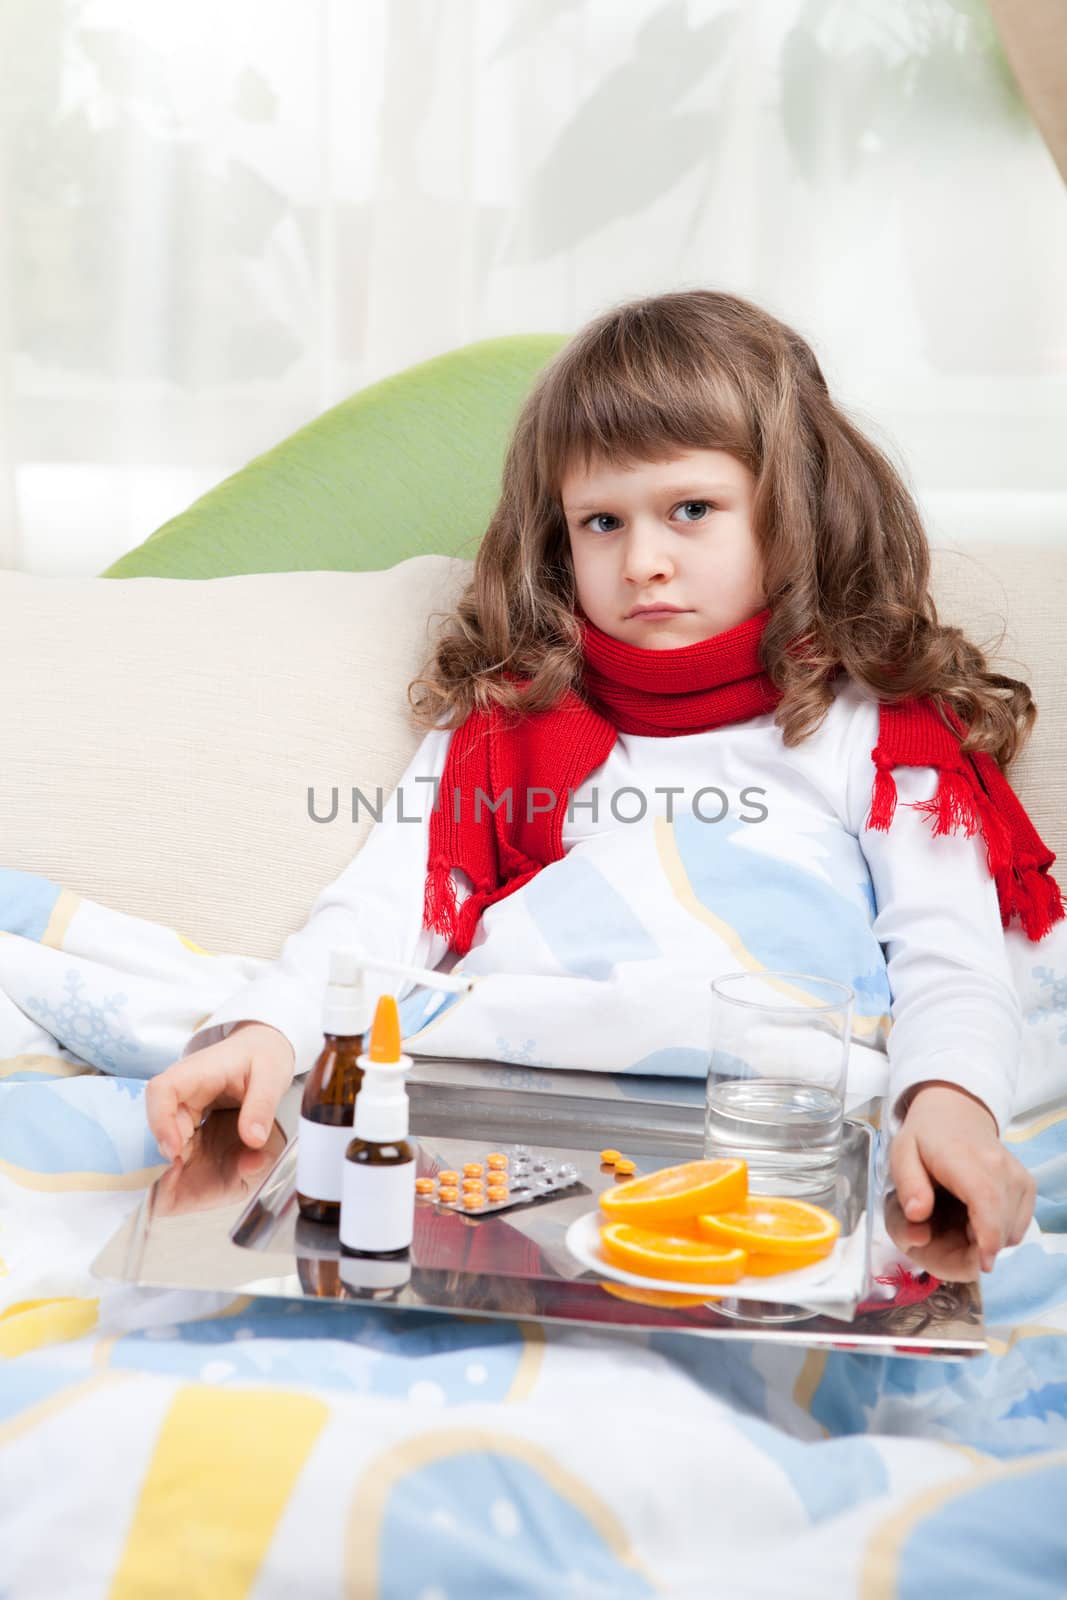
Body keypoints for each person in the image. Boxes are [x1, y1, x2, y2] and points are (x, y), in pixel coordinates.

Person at [145, 289, 1062, 1276]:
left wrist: (951, 1108)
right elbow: (380, 908)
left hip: (783, 1141)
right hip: (531, 1131)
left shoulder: (871, 722)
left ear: (792, 507)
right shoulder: (509, 721)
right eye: (600, 522)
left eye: (691, 510)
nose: (643, 562)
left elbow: (949, 957)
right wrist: (271, 1029)